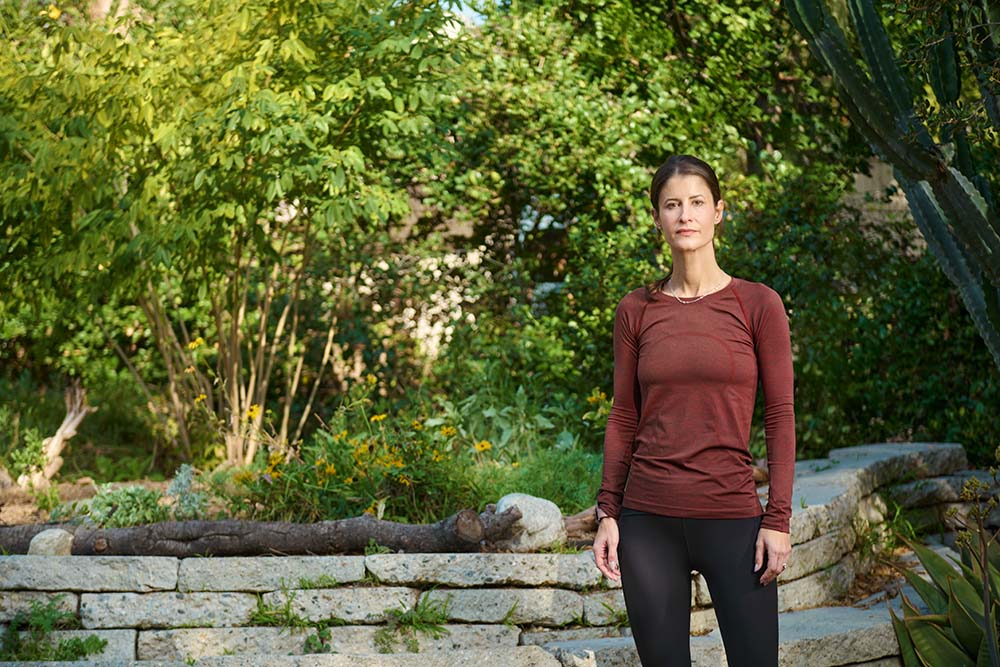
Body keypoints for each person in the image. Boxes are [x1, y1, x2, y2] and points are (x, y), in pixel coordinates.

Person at [592, 155, 795, 666]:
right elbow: (623, 415)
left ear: (718, 212)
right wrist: (608, 512)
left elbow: (780, 414)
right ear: (657, 217)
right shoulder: (636, 309)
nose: (685, 215)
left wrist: (779, 519)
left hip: (732, 517)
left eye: (697, 203)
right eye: (672, 204)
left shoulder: (758, 304)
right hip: (647, 522)